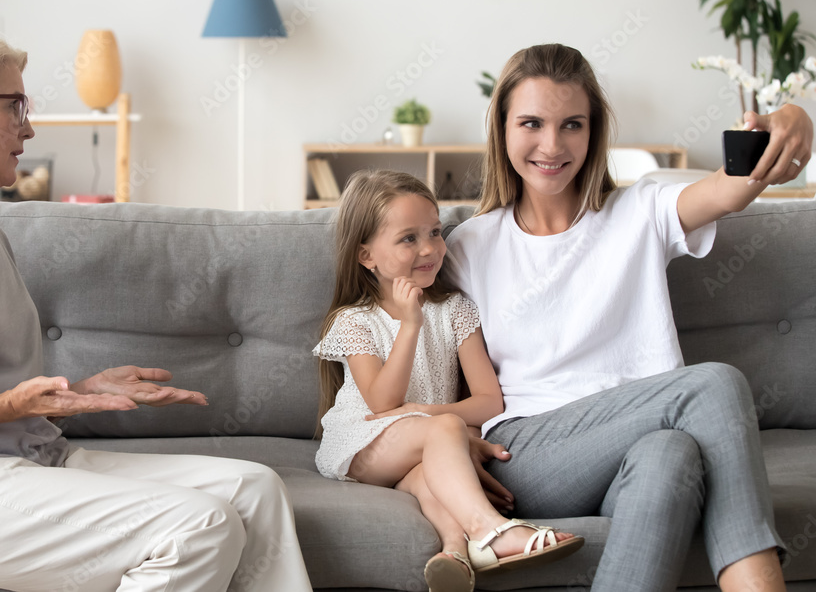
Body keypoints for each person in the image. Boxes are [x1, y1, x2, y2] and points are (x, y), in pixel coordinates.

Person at [0, 21, 313, 592]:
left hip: (33, 458)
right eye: (14, 106)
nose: (28, 128)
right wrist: (9, 404)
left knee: (256, 489)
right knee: (199, 527)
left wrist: (80, 392)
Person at [443, 43, 814, 592]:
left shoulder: (640, 211)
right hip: (529, 452)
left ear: (593, 132)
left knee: (671, 457)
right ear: (501, 130)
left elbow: (731, 190)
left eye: (572, 124)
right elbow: (429, 371)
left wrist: (794, 118)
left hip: (641, 444)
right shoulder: (468, 245)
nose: (551, 144)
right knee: (712, 384)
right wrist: (450, 439)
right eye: (531, 123)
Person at [313, 170, 584, 592]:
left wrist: (439, 425)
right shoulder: (355, 321)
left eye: (435, 232)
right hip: (363, 444)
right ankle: (494, 530)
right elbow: (383, 405)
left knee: (427, 477)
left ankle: (456, 552)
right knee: (443, 431)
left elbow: (489, 401)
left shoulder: (455, 309)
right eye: (408, 238)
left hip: (418, 447)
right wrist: (410, 325)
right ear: (366, 255)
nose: (429, 249)